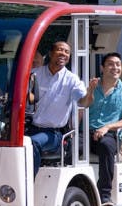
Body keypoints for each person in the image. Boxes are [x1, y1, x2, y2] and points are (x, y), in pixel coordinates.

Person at [80, 52, 122, 206]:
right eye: (111, 64)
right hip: (85, 133)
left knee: (106, 147)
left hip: (110, 133)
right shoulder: (91, 85)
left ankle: (104, 194)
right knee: (68, 148)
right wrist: (90, 91)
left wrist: (107, 127)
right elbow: (82, 106)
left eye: (118, 64)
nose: (115, 67)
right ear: (102, 68)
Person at [27, 41, 87, 174]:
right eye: (60, 50)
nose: (63, 54)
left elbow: (84, 102)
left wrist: (91, 91)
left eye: (67, 52)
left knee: (32, 143)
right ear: (50, 54)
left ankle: (29, 184)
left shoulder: (72, 79)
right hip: (30, 127)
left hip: (54, 134)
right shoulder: (34, 74)